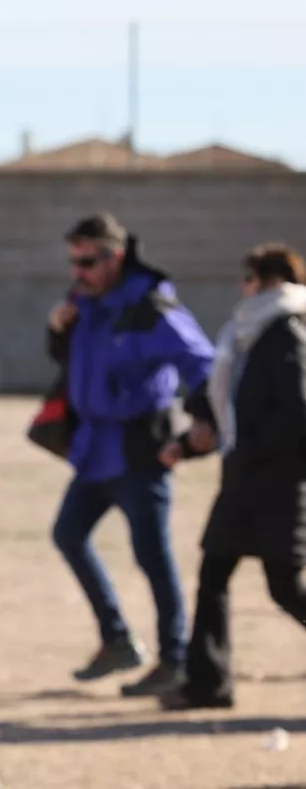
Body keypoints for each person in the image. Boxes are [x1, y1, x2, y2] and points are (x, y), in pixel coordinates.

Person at [46, 213, 215, 697]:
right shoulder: (84, 302)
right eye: (73, 261)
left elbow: (202, 362)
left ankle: (176, 661)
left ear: (115, 256)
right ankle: (118, 639)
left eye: (87, 261)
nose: (78, 271)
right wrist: (58, 331)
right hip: (94, 450)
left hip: (142, 449)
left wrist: (202, 420)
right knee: (69, 534)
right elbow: (76, 362)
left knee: (152, 556)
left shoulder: (151, 306)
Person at [157, 242, 306, 711]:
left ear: (267, 280)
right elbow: (234, 400)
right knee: (215, 572)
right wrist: (189, 440)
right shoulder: (252, 329)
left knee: (284, 586)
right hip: (245, 480)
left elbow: (297, 414)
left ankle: (206, 683)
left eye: (247, 279)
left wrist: (251, 451)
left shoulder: (287, 330)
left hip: (278, 485)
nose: (241, 289)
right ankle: (208, 684)